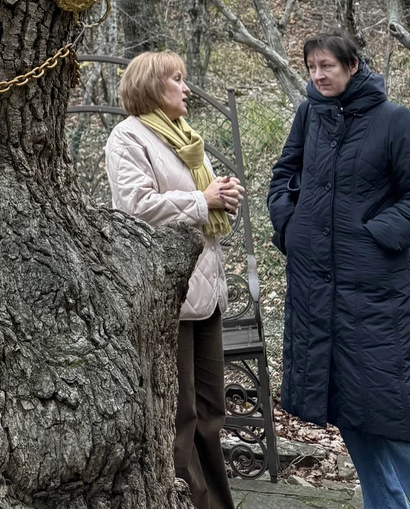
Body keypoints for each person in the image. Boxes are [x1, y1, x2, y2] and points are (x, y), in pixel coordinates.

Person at [268, 35, 410, 509]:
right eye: (311, 67)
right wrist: (290, 226)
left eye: (326, 65)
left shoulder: (395, 121)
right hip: (315, 290)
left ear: (352, 65)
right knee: (349, 411)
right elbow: (284, 175)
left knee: (391, 412)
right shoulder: (309, 115)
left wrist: (375, 236)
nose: (317, 75)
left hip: (375, 293)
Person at [105, 51, 243, 509]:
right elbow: (135, 208)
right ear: (151, 85)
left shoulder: (185, 136)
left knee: (211, 411)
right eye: (177, 79)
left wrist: (222, 197)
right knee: (179, 415)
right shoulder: (128, 137)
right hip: (169, 297)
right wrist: (203, 200)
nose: (186, 87)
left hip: (207, 291)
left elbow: (202, 203)